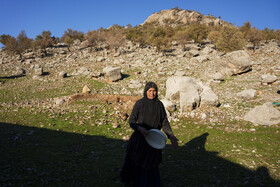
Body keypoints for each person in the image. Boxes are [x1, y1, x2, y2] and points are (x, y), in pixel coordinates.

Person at [120, 82, 178, 187]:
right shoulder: (139, 103)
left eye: (154, 91)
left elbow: (164, 122)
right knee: (136, 161)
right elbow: (132, 121)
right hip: (140, 138)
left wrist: (171, 136)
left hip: (154, 139)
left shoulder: (159, 105)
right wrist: (140, 128)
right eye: (150, 91)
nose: (152, 93)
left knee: (151, 163)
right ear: (146, 91)